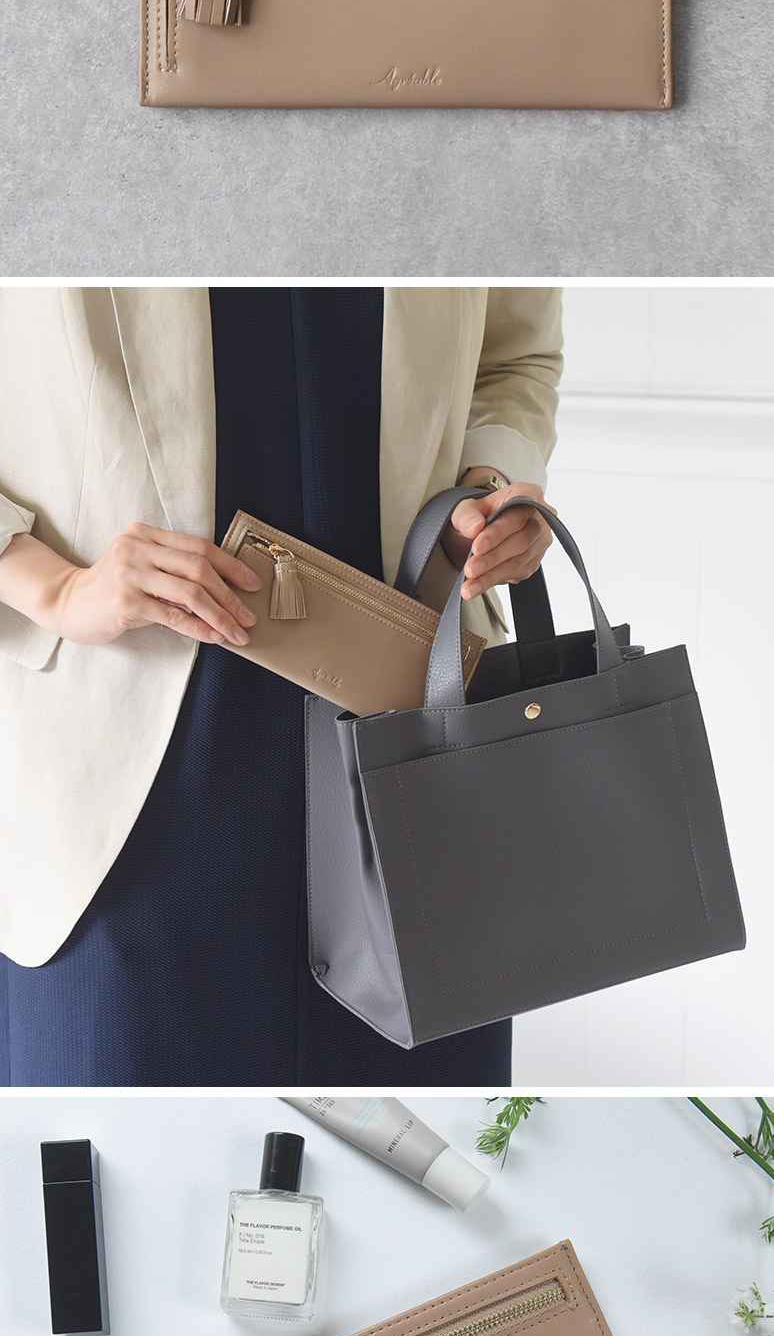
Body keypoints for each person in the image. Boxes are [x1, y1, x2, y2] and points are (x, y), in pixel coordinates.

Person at [0, 284, 563, 1085]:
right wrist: (51, 586)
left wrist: (490, 486)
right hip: (133, 777)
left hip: (418, 740)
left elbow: (515, 358)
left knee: (429, 1118)